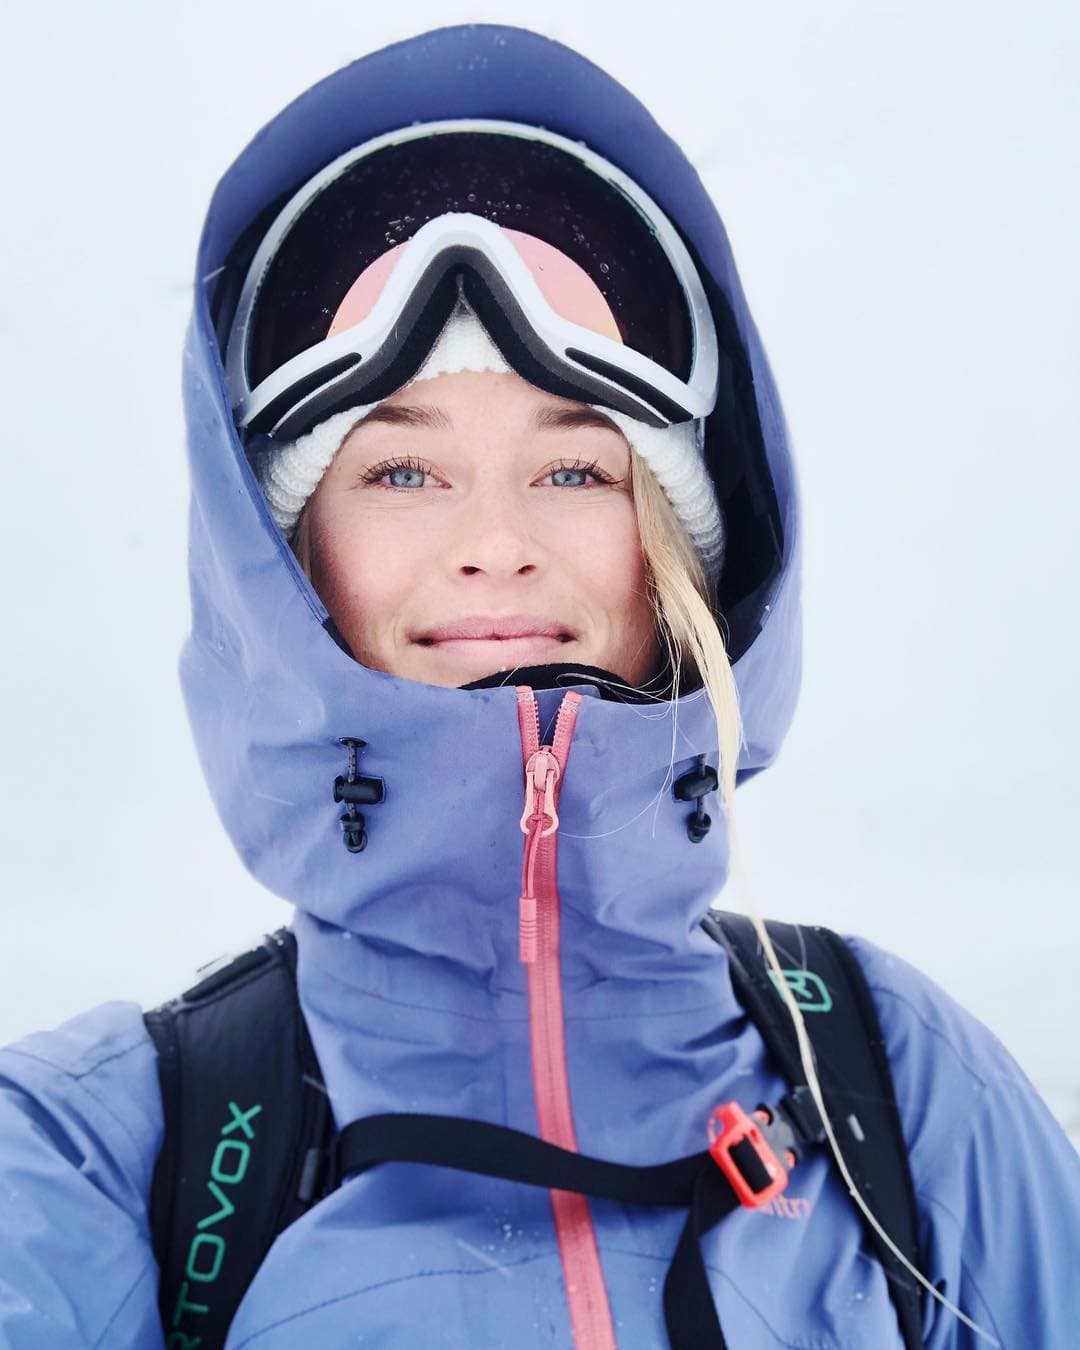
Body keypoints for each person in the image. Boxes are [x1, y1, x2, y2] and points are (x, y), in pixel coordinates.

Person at [1, 23, 1077, 1350]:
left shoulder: (904, 1091)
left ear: (674, 547)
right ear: (280, 563)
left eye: (576, 469)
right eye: (400, 471)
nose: (495, 537)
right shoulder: (97, 1154)